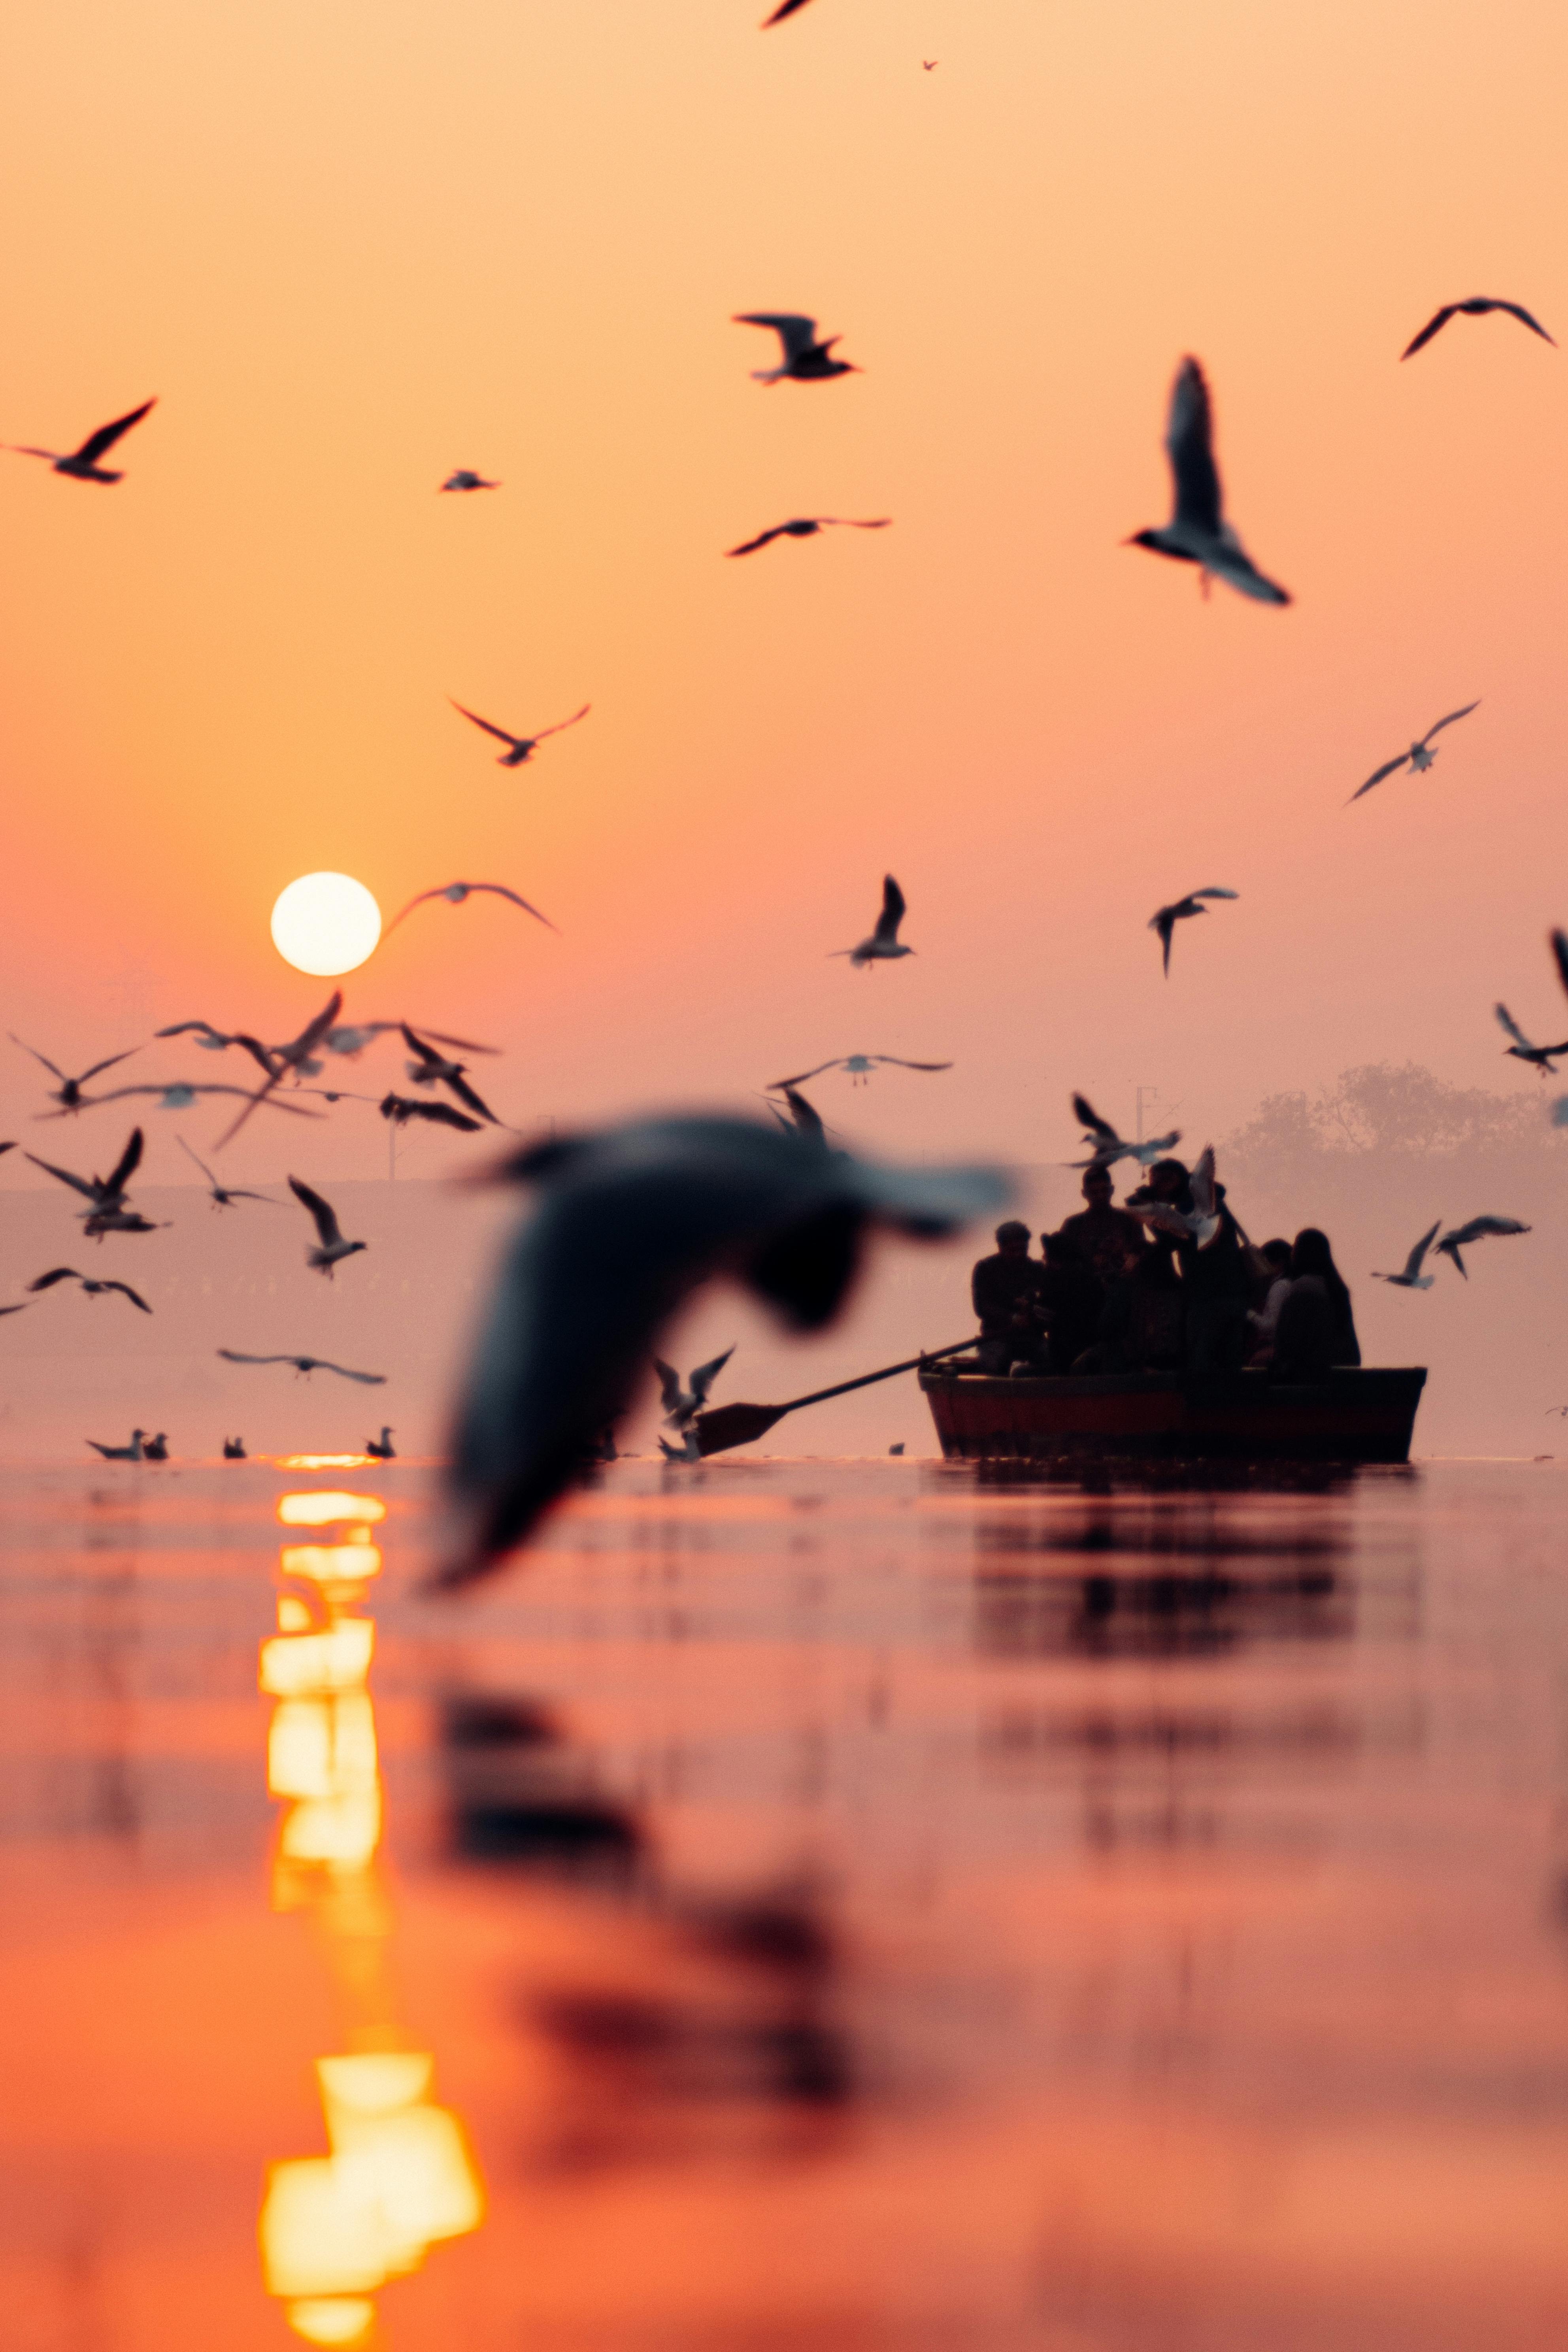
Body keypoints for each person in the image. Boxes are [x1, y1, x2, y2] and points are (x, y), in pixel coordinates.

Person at [1179, 1177, 1253, 1375]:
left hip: (1208, 1297)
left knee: (1202, 1362)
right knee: (1231, 1362)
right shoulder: (1219, 1207)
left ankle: (1205, 1403)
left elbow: (1174, 1239)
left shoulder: (1192, 1207)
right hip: (1235, 1295)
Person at [1270, 1228, 1362, 1383]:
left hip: (1311, 1374)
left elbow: (1288, 1340)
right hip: (1342, 1369)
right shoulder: (1337, 1288)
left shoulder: (1303, 1287)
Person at [972, 1219, 1045, 1375]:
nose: (1018, 1255)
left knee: (1051, 1359)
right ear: (1001, 1247)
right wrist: (1012, 1318)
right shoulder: (985, 1269)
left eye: (1022, 1249)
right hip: (997, 1337)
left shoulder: (1037, 1269)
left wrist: (1034, 1316)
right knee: (993, 1366)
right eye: (1013, 1250)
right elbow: (982, 1307)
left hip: (1031, 1337)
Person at [1059, 1165, 1146, 1288]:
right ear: (1084, 1193)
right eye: (1094, 1192)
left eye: (1104, 1190)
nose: (1100, 1196)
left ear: (1112, 1190)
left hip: (1123, 1289)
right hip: (1082, 1291)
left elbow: (1141, 1252)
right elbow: (1060, 1261)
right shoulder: (1073, 1225)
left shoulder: (1128, 1220)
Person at [1035, 1229, 1104, 1372]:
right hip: (1092, 1348)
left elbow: (1047, 1315)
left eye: (1048, 1254)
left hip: (1066, 1352)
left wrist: (1029, 1310)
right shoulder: (1091, 1277)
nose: (1044, 1257)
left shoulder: (1058, 1280)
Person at [1246, 1238, 1293, 1365]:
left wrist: (1249, 1313)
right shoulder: (1289, 1284)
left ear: (1279, 1262)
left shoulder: (1279, 1287)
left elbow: (1271, 1327)